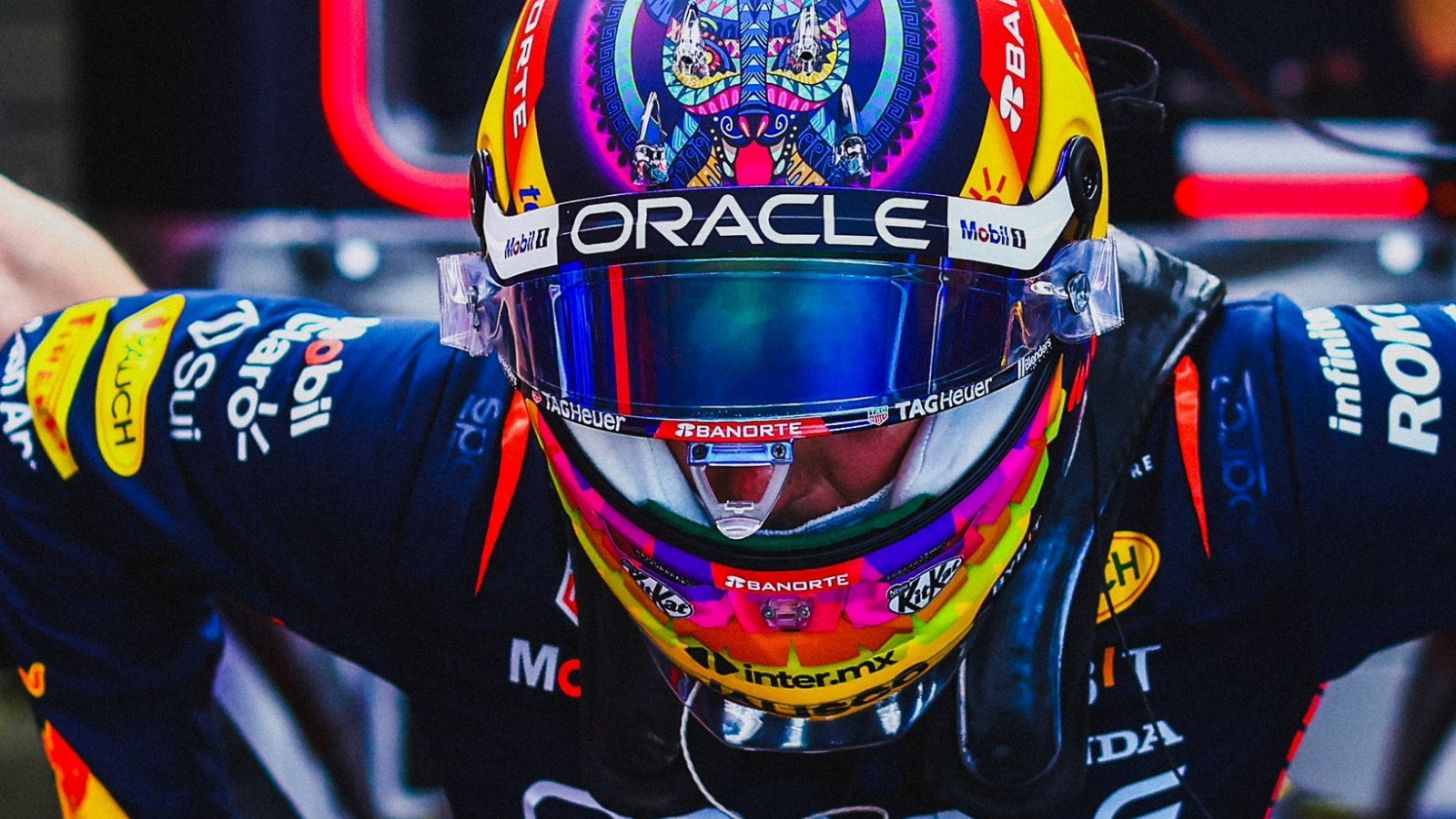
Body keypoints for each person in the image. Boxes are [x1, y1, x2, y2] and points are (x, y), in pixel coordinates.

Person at [2, 1, 1455, 817]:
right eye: (658, 351)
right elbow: (56, 408)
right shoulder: (449, 455)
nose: (755, 475)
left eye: (842, 353)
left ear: (1051, 298)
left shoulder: (1242, 440)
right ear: (515, 315)